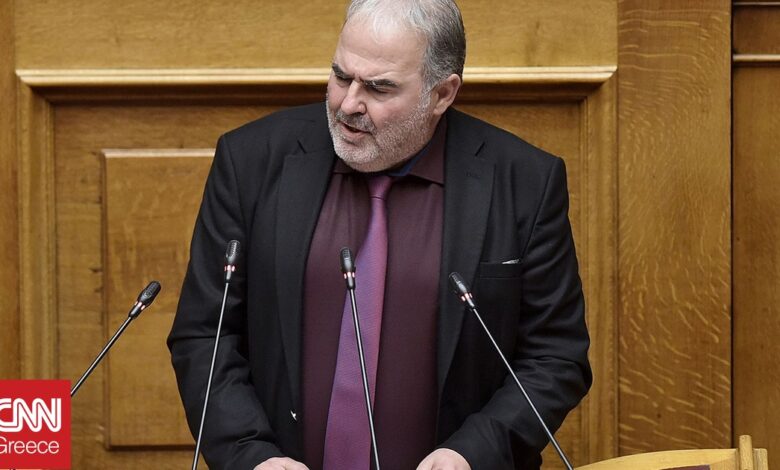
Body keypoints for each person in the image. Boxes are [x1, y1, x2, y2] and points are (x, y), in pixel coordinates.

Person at [168, 0, 592, 468]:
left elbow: (556, 355)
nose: (349, 104)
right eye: (340, 76)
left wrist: (473, 454)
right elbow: (205, 335)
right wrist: (251, 456)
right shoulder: (251, 160)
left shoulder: (524, 182)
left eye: (378, 87)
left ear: (442, 94)